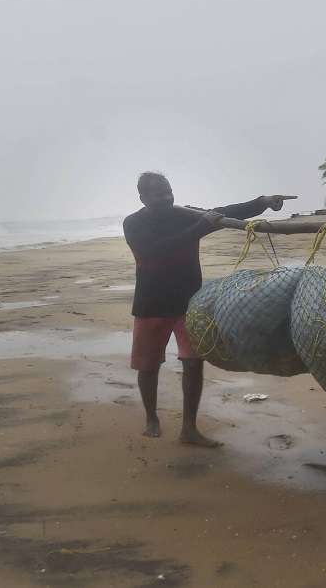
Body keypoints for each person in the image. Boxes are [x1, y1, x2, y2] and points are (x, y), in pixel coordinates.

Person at [122, 171, 294, 446]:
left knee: (193, 362)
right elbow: (154, 251)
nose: (166, 197)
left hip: (190, 303)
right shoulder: (133, 223)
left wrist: (262, 201)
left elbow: (226, 213)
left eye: (168, 191)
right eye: (158, 193)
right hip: (150, 304)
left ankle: (189, 428)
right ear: (142, 197)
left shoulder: (185, 214)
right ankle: (151, 417)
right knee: (148, 366)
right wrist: (201, 226)